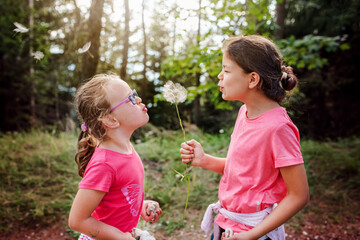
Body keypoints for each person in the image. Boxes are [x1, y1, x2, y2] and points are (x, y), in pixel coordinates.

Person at [180, 35, 309, 240]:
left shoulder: (278, 128)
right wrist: (203, 160)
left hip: (255, 233)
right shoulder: (244, 112)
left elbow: (299, 195)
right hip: (225, 225)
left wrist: (251, 235)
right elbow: (244, 172)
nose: (219, 76)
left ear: (252, 79)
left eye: (226, 70)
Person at [68, 74, 162, 240]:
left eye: (135, 93)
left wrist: (140, 206)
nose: (139, 99)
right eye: (130, 98)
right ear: (110, 120)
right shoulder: (104, 164)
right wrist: (121, 237)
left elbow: (118, 197)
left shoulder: (126, 148)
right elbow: (77, 220)